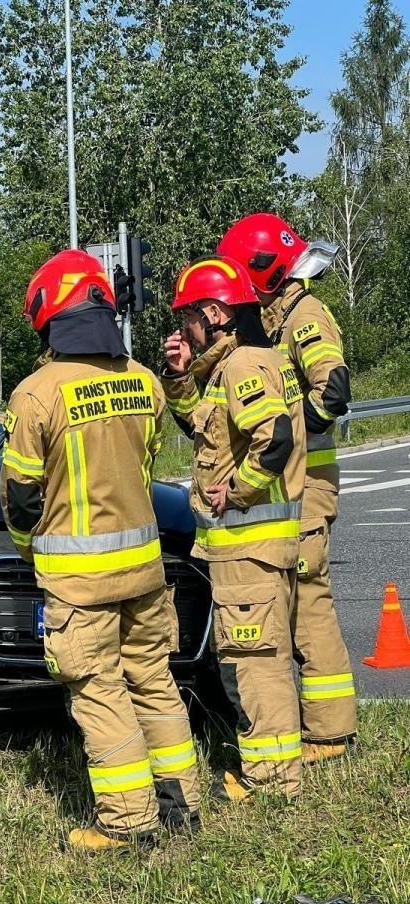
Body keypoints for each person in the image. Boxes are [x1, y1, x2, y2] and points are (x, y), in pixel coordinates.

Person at [0, 249, 201, 850]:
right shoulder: (144, 382)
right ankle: (182, 805)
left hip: (79, 582)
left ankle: (130, 821)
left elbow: (19, 500)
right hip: (143, 569)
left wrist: (28, 552)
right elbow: (143, 464)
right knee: (153, 681)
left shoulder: (36, 395)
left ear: (50, 316)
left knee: (100, 690)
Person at [161, 256, 306, 802]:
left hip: (250, 543)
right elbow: (207, 427)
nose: (184, 330)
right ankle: (270, 772)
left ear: (217, 312)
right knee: (256, 658)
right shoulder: (240, 364)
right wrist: (178, 378)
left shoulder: (243, 365)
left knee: (254, 664)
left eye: (189, 318)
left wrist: (236, 490)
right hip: (251, 548)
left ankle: (271, 781)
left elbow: (277, 438)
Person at [217, 214, 356, 761]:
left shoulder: (303, 316)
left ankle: (327, 733)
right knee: (303, 605)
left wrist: (295, 433)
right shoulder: (279, 318)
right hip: (298, 487)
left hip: (309, 488)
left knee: (309, 607)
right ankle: (326, 727)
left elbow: (333, 387)